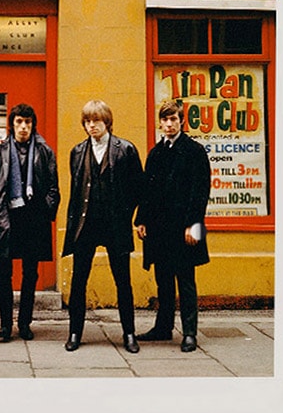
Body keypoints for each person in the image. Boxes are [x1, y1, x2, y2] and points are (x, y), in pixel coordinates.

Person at [62, 99, 143, 353]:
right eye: (87, 121)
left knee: (123, 281)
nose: (91, 125)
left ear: (106, 121)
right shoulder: (77, 152)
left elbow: (137, 189)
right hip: (85, 225)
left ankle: (129, 333)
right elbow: (76, 191)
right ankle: (75, 332)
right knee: (79, 281)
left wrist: (125, 214)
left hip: (115, 225)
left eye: (96, 120)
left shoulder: (126, 149)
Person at [135, 99, 211, 352]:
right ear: (160, 122)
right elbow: (147, 190)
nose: (169, 124)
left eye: (173, 120)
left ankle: (189, 332)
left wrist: (193, 226)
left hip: (184, 229)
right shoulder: (156, 153)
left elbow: (200, 193)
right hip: (159, 229)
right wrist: (141, 220)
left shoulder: (194, 151)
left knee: (186, 280)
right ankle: (163, 327)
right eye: (165, 120)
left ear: (181, 122)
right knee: (163, 280)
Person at [0, 104, 60, 342]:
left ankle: (24, 323)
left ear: (32, 124)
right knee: (3, 272)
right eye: (19, 122)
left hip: (33, 218)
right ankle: (5, 325)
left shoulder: (44, 151)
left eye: (27, 122)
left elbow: (53, 187)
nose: (23, 127)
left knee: (30, 273)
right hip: (6, 218)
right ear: (12, 124)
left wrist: (45, 210)